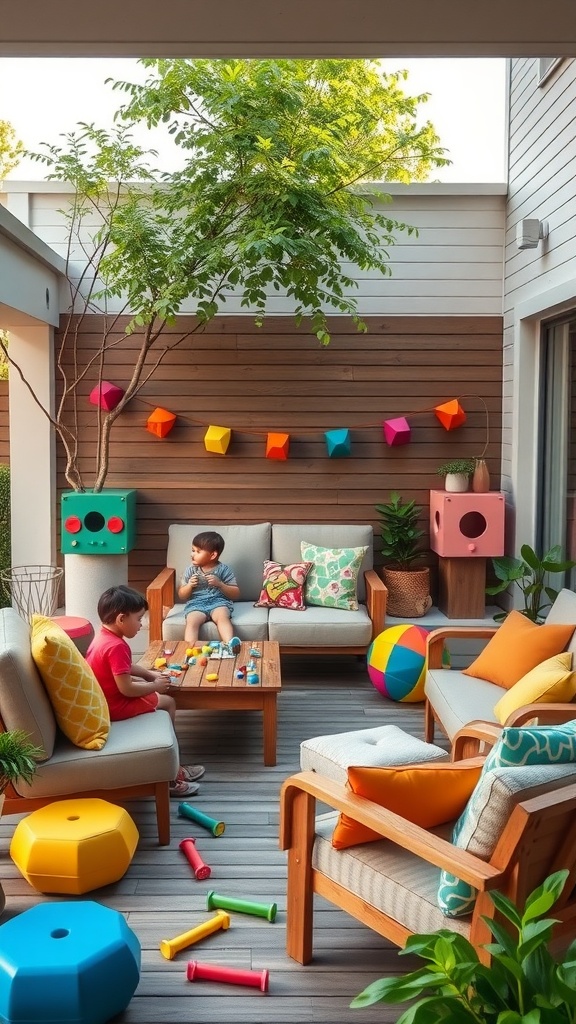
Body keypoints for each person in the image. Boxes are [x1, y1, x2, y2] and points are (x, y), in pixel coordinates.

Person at [85, 585, 204, 798]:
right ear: (122, 619)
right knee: (168, 702)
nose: (141, 625)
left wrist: (150, 675)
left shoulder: (104, 637)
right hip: (115, 707)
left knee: (157, 691)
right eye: (139, 619)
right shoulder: (117, 646)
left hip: (107, 700)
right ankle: (171, 776)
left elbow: (126, 668)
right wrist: (155, 686)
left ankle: (173, 768)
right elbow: (127, 688)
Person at [178, 531, 240, 646]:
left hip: (219, 602)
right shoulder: (190, 570)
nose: (192, 554)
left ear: (213, 555)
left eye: (197, 552)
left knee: (222, 617)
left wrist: (220, 584)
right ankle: (191, 647)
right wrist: (189, 586)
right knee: (192, 621)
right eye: (193, 550)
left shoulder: (223, 570)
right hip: (196, 604)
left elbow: (235, 593)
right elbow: (182, 595)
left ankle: (229, 644)